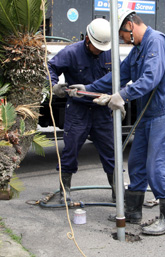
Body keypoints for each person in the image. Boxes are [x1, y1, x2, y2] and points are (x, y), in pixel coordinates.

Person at [70, 9, 165, 236]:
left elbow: (151, 78)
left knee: (156, 166)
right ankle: (133, 212)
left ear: (131, 25)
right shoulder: (138, 50)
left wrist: (122, 96)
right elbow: (117, 76)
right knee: (137, 163)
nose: (122, 39)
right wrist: (87, 89)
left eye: (121, 34)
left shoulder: (156, 41)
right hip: (147, 115)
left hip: (163, 114)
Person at [48, 18, 116, 204]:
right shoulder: (71, 53)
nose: (101, 50)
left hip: (101, 110)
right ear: (88, 39)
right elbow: (51, 66)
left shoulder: (110, 53)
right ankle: (65, 191)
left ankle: (117, 191)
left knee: (110, 152)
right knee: (70, 150)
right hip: (78, 110)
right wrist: (54, 86)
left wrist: (119, 99)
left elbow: (120, 76)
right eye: (97, 47)